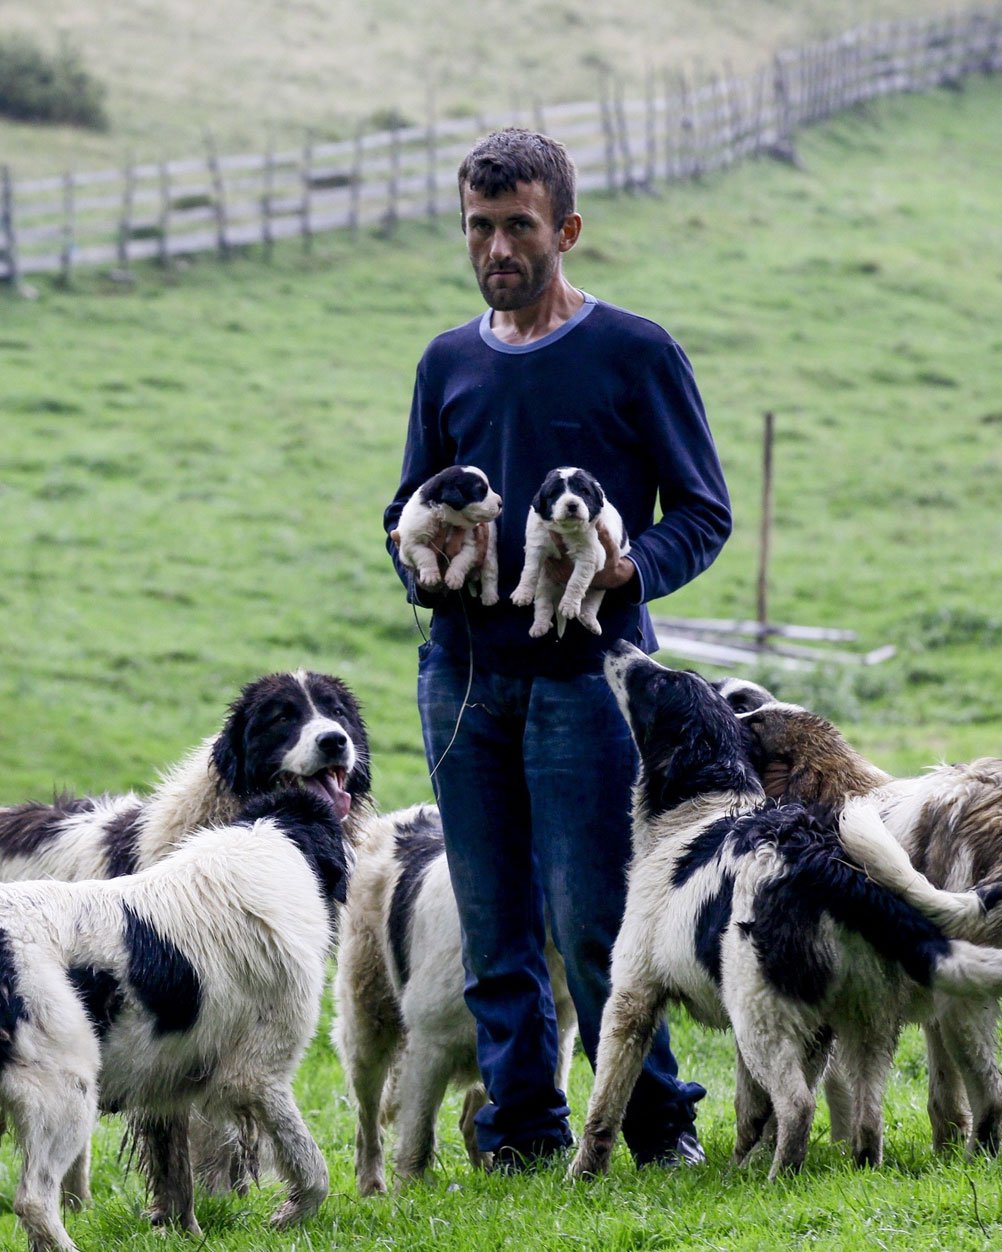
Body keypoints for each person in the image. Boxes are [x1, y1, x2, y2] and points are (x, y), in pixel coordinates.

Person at [382, 128, 732, 1171]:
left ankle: (657, 1124)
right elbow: (405, 502)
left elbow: (703, 512)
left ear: (566, 230)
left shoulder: (635, 351)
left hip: (591, 679)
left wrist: (629, 571)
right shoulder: (447, 360)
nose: (496, 246)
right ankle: (519, 1132)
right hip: (464, 676)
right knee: (493, 928)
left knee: (599, 925)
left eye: (518, 226)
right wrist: (417, 560)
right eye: (479, 227)